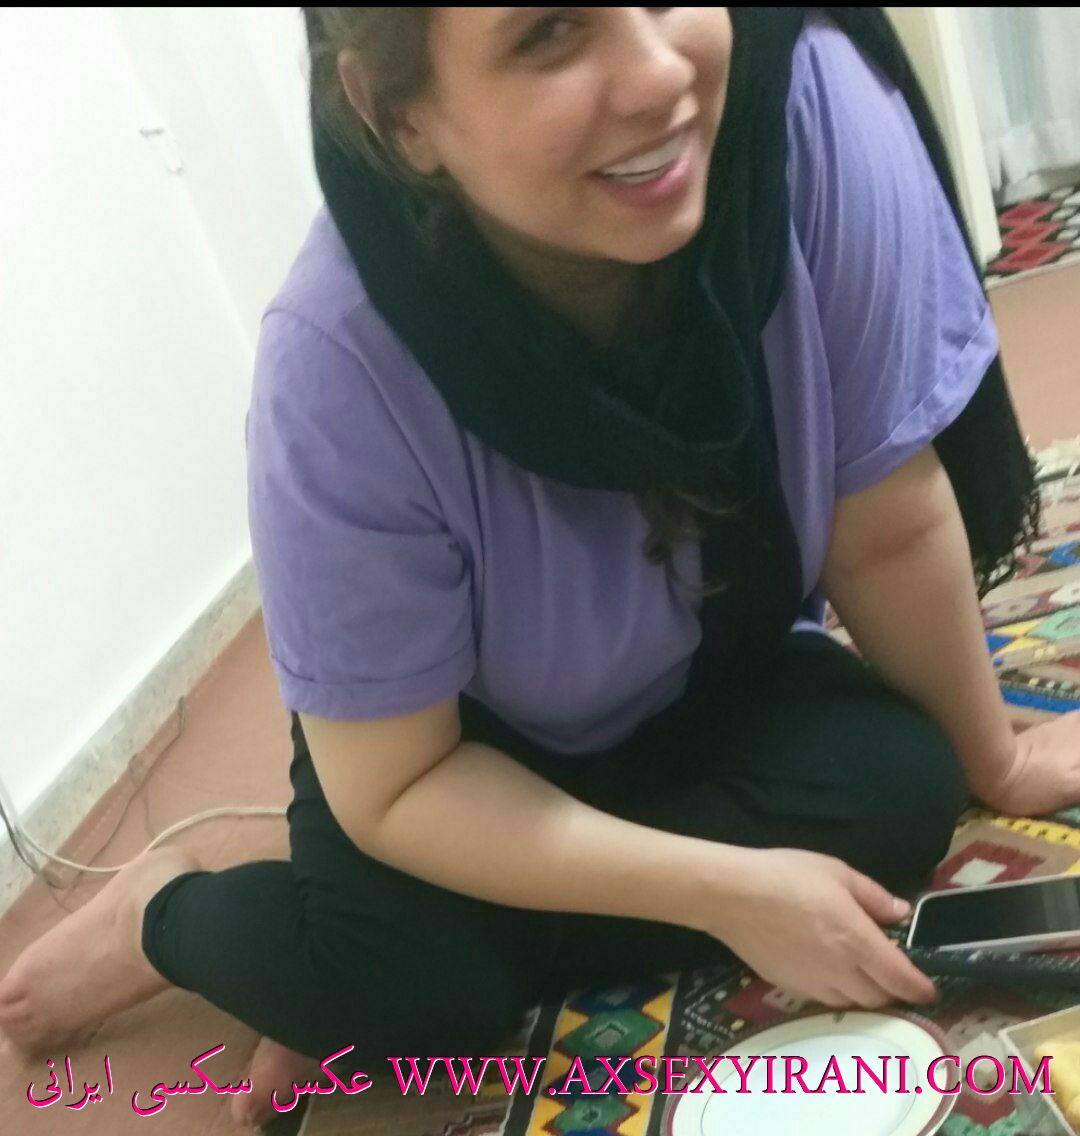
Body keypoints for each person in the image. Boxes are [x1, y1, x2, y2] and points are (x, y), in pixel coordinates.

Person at [6, 7, 1080, 1131]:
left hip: (700, 665)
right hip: (456, 744)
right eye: (551, 32)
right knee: (421, 1001)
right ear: (400, 115)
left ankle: (367, 943)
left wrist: (995, 758)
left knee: (905, 784)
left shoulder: (803, 113)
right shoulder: (335, 363)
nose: (658, 73)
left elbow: (881, 516)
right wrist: (729, 890)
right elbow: (398, 783)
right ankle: (166, 911)